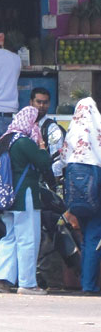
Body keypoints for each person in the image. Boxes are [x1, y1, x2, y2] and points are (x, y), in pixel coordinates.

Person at [0, 106, 54, 295]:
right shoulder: (24, 142)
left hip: (5, 197)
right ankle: (28, 283)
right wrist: (41, 145)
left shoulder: (4, 139)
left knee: (10, 237)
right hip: (24, 196)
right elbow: (44, 162)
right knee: (28, 239)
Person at [60, 97, 101, 294]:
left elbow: (62, 159)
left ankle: (86, 281)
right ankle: (89, 285)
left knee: (86, 238)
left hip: (77, 198)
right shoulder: (97, 131)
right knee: (94, 238)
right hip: (95, 191)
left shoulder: (72, 133)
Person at [31, 87, 65, 180]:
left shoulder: (51, 128)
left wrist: (52, 183)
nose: (41, 105)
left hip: (44, 178)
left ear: (49, 104)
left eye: (45, 102)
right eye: (38, 102)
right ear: (31, 102)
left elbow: (57, 158)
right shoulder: (24, 124)